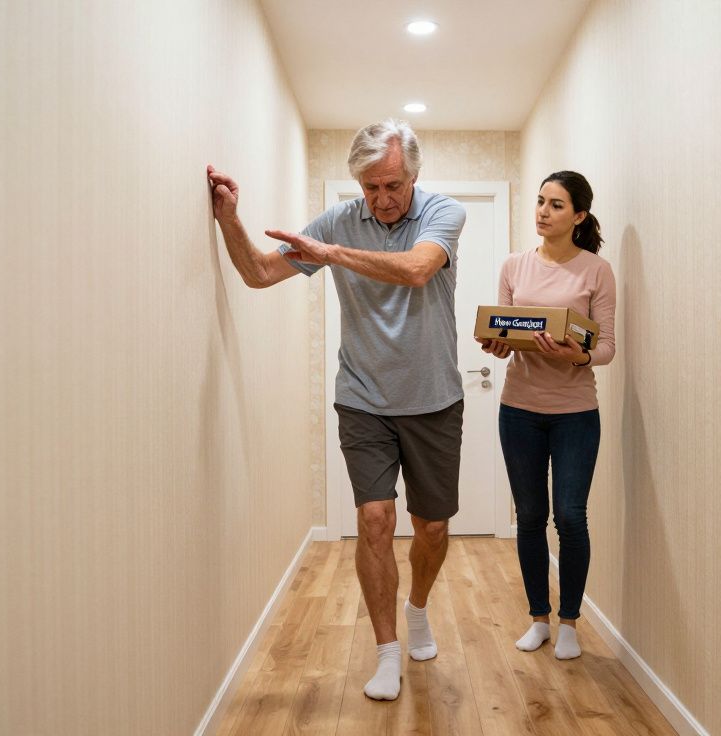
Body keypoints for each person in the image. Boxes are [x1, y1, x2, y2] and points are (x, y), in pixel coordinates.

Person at [207, 119, 466, 701]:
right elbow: (258, 273)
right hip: (363, 400)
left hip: (434, 401)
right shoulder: (339, 222)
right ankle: (386, 650)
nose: (382, 199)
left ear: (414, 176)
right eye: (370, 188)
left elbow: (418, 270)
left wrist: (330, 254)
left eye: (393, 185)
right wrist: (230, 217)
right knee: (374, 520)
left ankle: (418, 607)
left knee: (434, 528)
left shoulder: (442, 214)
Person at [477, 170, 616, 660]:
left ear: (578, 216)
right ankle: (539, 618)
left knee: (571, 517)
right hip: (519, 409)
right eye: (540, 202)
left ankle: (571, 622)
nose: (542, 211)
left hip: (576, 412)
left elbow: (607, 348)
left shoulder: (596, 271)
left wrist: (573, 356)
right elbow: (506, 334)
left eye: (556, 205)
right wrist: (496, 346)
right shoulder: (515, 265)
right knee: (531, 517)